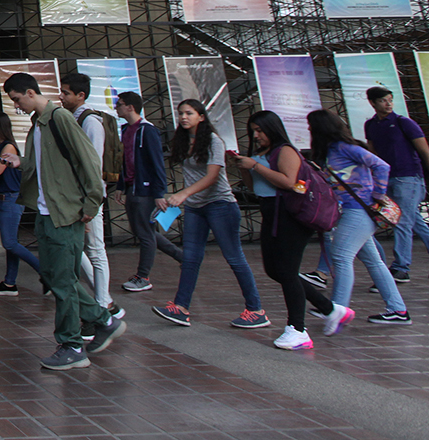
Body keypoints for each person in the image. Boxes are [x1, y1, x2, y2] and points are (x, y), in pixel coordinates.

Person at [3, 74, 125, 371]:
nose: (17, 106)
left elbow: (89, 161)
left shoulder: (60, 119)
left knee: (62, 281)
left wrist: (91, 204)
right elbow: (46, 166)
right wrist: (21, 163)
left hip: (64, 213)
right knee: (55, 277)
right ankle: (102, 321)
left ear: (30, 92)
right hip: (47, 212)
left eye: (17, 99)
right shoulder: (39, 123)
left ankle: (72, 344)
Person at [150, 98, 268, 330]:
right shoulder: (182, 141)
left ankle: (256, 310)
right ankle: (180, 307)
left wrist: (183, 194)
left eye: (189, 113)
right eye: (181, 113)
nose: (184, 117)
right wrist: (177, 197)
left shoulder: (213, 140)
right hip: (196, 207)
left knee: (234, 257)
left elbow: (212, 176)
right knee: (190, 258)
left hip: (220, 205)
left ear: (201, 117)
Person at [232, 110, 339, 350]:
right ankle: (328, 308)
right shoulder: (261, 153)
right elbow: (255, 187)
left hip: (290, 214)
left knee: (287, 271)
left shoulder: (285, 150)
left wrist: (255, 166)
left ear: (272, 129)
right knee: (274, 270)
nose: (256, 135)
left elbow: (289, 182)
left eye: (260, 130)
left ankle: (297, 329)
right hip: (270, 211)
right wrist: (244, 168)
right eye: (253, 131)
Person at [310, 108, 411, 328]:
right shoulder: (333, 149)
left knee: (341, 256)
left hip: (358, 210)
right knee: (373, 261)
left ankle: (337, 310)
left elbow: (382, 165)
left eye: (311, 126)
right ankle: (398, 310)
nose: (309, 130)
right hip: (354, 211)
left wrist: (378, 193)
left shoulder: (344, 147)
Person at [113, 91, 180, 292]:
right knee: (143, 231)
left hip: (145, 189)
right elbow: (126, 161)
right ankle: (184, 258)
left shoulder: (147, 131)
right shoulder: (126, 129)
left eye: (120, 104)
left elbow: (157, 163)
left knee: (145, 234)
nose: (117, 108)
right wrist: (121, 185)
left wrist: (159, 193)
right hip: (132, 187)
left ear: (130, 107)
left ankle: (143, 276)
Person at [60, 74, 115, 316]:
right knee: (77, 246)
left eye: (66, 93)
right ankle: (104, 299)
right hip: (76, 194)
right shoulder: (73, 118)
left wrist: (90, 200)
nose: (61, 97)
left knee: (95, 248)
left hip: (88, 195)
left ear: (81, 95)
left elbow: (94, 163)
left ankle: (103, 302)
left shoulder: (90, 121)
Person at [362, 87, 429, 283]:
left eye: (390, 100)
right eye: (383, 100)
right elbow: (373, 153)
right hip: (387, 178)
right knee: (414, 221)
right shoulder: (371, 125)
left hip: (408, 177)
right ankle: (401, 266)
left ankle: (401, 267)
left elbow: (424, 150)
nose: (388, 104)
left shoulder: (403, 122)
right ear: (372, 103)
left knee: (402, 221)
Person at [0, 111, 39, 296]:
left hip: (10, 198)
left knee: (9, 243)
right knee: (11, 242)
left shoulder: (8, 147)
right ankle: (9, 283)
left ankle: (45, 272)